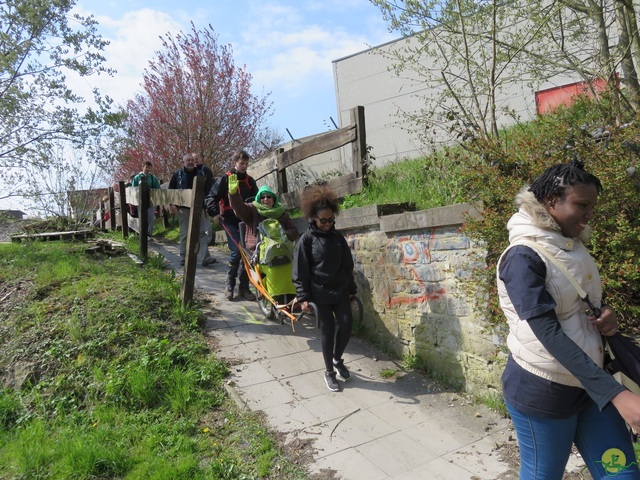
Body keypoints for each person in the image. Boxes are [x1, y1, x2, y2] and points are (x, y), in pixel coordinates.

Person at [497, 160, 640, 479]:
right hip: (544, 393)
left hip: (591, 391)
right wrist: (616, 394)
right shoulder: (522, 257)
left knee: (622, 473)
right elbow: (548, 333)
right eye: (582, 205)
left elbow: (576, 304)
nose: (589, 214)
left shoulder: (571, 246)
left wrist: (605, 317)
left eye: (592, 206)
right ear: (551, 202)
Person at [292, 184, 357, 392]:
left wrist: (351, 290)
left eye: (331, 220)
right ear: (314, 218)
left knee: (347, 324)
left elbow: (347, 266)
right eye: (323, 221)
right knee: (328, 329)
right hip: (319, 294)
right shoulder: (307, 240)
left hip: (339, 291)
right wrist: (303, 298)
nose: (328, 224)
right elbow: (300, 271)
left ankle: (337, 360)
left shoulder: (338, 239)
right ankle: (329, 372)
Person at [228, 178, 299, 304]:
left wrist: (281, 235)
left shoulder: (281, 213)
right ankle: (274, 296)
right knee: (271, 268)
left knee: (290, 265)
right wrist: (233, 194)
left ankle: (290, 296)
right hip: (257, 249)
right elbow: (239, 209)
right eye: (262, 197)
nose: (265, 199)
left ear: (273, 199)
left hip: (280, 248)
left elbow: (293, 231)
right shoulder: (252, 209)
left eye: (268, 197)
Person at [205, 150, 258, 301]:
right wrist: (214, 213)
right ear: (235, 163)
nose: (244, 166)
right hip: (229, 219)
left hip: (246, 220)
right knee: (236, 250)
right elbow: (211, 197)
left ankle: (244, 287)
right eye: (242, 163)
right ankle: (229, 285)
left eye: (246, 164)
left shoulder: (249, 180)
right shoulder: (226, 179)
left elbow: (257, 198)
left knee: (248, 252)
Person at [169, 152, 216, 267]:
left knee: (201, 233)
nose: (190, 162)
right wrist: (172, 204)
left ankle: (205, 257)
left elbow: (206, 192)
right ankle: (184, 258)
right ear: (184, 162)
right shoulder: (177, 175)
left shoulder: (200, 174)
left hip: (198, 208)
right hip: (183, 209)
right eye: (188, 160)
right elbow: (171, 191)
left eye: (192, 160)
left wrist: (206, 208)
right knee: (185, 234)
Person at [131, 160, 161, 237]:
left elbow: (158, 188)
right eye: (146, 167)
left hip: (151, 200)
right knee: (142, 217)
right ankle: (142, 234)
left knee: (150, 217)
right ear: (143, 167)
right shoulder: (137, 177)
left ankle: (149, 233)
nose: (148, 169)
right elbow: (133, 189)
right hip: (140, 200)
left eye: (149, 168)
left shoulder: (153, 178)